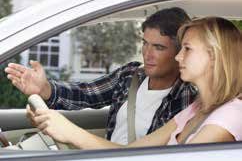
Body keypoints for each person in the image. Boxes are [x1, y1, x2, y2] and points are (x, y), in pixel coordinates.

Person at [24, 16, 242, 150]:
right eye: (144, 43)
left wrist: (70, 132)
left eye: (187, 49)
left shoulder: (230, 115)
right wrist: (64, 128)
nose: (178, 57)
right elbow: (131, 152)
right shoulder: (197, 109)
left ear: (214, 56)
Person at [4, 7, 197, 145]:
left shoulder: (186, 97)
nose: (147, 54)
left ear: (180, 53)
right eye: (145, 43)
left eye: (159, 47)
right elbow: (87, 93)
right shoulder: (131, 75)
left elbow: (148, 154)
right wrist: (45, 89)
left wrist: (72, 134)